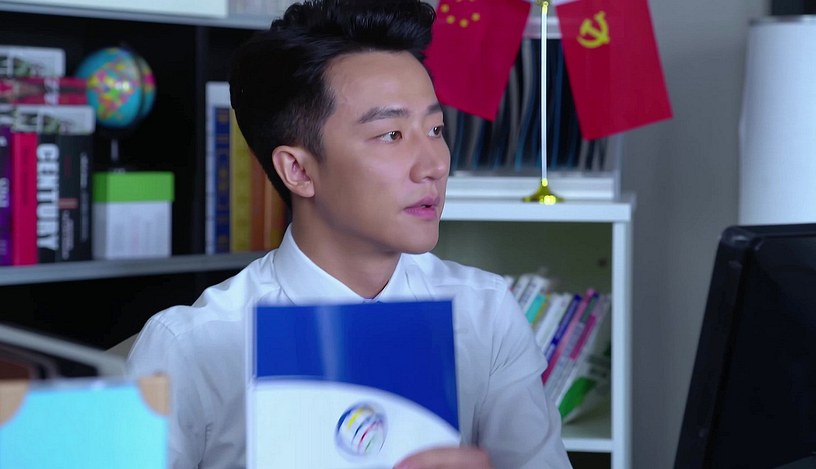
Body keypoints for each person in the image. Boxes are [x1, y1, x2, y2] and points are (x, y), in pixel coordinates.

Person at [127, 0, 573, 468]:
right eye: (391, 135)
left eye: (435, 128)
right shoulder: (192, 344)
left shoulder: (484, 312)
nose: (435, 165)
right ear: (298, 170)